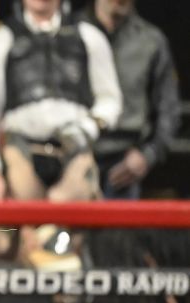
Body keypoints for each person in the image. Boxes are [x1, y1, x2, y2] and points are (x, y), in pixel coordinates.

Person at [0, 0, 122, 262]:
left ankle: (70, 298)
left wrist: (88, 127)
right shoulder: (0, 42)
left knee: (70, 243)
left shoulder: (89, 38)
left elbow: (111, 99)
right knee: (12, 244)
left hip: (74, 154)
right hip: (21, 154)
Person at [78, 0, 181, 200]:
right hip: (74, 153)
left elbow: (169, 111)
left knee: (119, 229)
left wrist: (148, 154)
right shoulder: (69, 33)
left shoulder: (150, 41)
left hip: (124, 159)